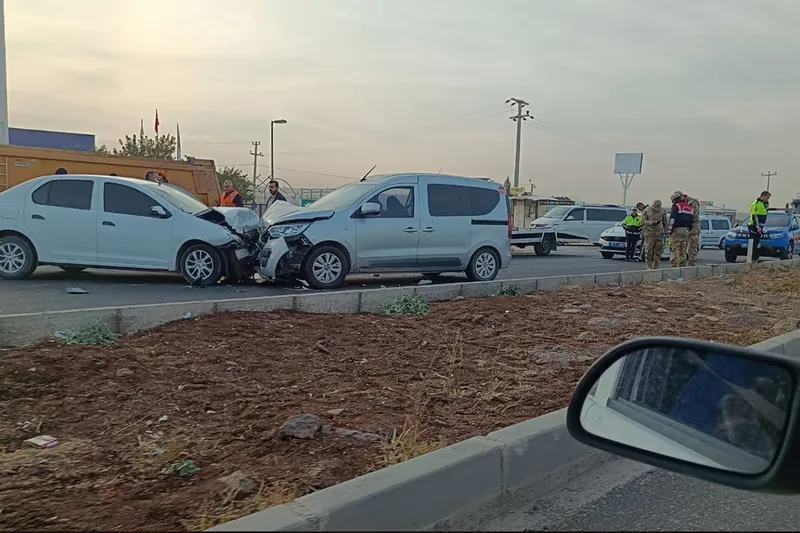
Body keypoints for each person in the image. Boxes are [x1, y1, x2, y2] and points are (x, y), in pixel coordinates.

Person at [667, 190, 694, 268]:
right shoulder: (690, 208)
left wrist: (669, 230)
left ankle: (674, 267)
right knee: (683, 249)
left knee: (674, 249)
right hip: (686, 230)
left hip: (676, 230)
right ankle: (682, 266)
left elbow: (672, 219)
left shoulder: (676, 207)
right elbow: (692, 220)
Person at [641, 199, 669, 269]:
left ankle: (656, 266)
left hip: (659, 233)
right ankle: (648, 265)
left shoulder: (662, 211)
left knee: (658, 250)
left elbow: (665, 222)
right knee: (648, 250)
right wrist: (651, 222)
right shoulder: (647, 211)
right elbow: (642, 221)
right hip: (649, 233)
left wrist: (666, 231)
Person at [748, 191, 770, 262]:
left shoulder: (763, 204)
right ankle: (752, 259)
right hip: (754, 226)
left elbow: (764, 214)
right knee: (753, 243)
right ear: (763, 196)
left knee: (756, 242)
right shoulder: (757, 204)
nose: (767, 199)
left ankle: (754, 258)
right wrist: (757, 226)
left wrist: (766, 207)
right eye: (767, 197)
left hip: (760, 226)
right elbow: (755, 216)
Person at [684, 193, 701, 266]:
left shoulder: (693, 203)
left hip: (693, 228)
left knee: (692, 246)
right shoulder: (684, 203)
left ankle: (692, 262)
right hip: (686, 228)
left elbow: (693, 215)